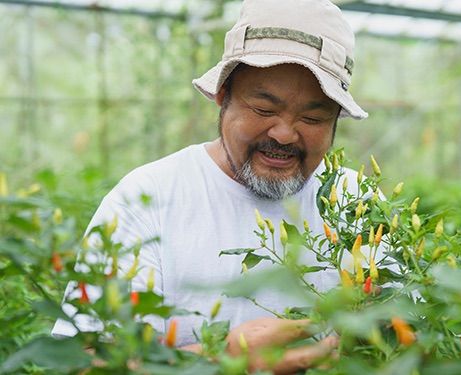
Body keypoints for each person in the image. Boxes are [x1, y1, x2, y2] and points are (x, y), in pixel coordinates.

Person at [53, 0, 368, 372]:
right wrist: (224, 361)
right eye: (264, 110)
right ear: (223, 95)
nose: (284, 134)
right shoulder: (147, 199)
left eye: (312, 117)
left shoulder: (355, 203)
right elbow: (86, 364)